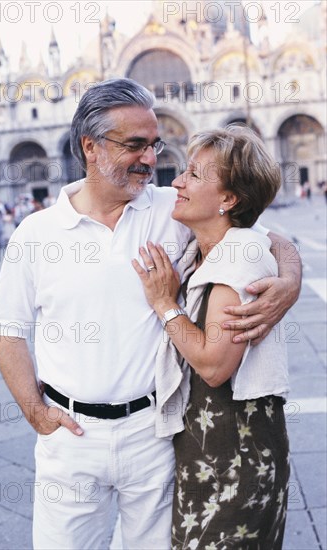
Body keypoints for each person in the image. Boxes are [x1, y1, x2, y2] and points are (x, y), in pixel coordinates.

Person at [0, 79, 301, 550]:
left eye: (153, 145)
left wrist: (291, 280)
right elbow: (7, 329)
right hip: (71, 438)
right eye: (135, 145)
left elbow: (261, 235)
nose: (151, 159)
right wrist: (36, 413)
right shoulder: (36, 233)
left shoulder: (169, 209)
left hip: (153, 434)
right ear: (91, 147)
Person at [132, 126, 292, 549]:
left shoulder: (239, 255)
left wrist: (165, 304)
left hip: (236, 459)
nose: (178, 182)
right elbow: (278, 239)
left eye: (195, 175)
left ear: (228, 199)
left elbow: (214, 364)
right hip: (203, 454)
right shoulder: (203, 251)